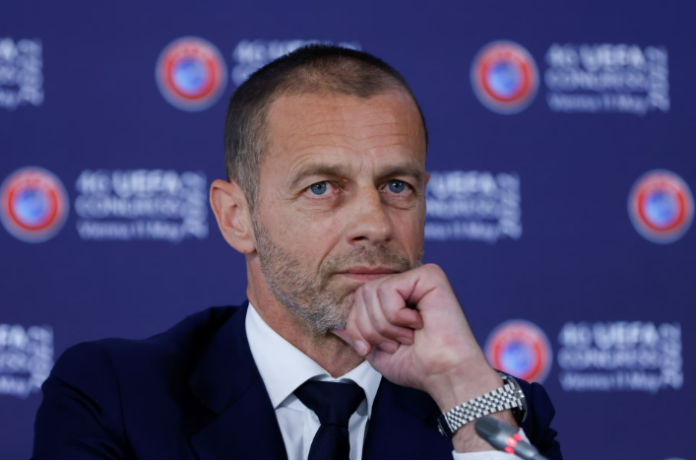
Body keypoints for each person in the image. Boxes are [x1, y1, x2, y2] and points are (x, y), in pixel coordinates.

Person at [33, 45, 561, 460]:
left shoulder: (502, 411)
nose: (374, 224)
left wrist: (464, 395)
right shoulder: (114, 396)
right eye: (322, 187)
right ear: (237, 217)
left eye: (397, 187)